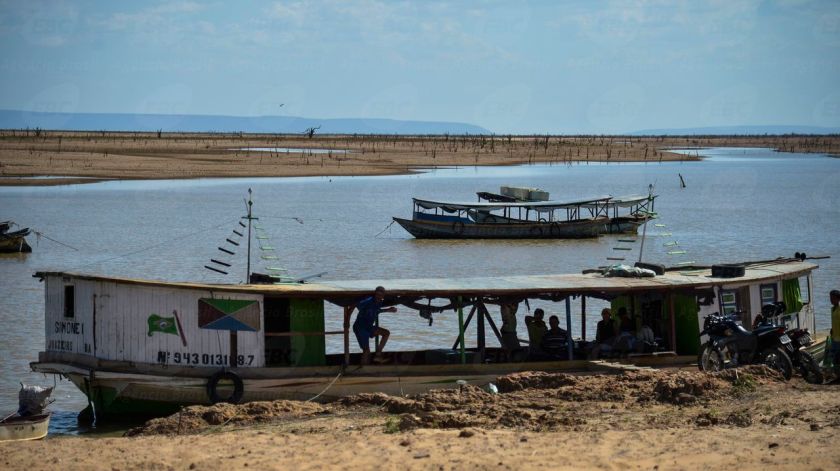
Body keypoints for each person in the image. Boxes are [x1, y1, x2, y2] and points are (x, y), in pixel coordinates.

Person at [353, 286, 397, 365]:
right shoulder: (369, 300)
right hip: (360, 327)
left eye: (381, 295)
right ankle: (363, 369)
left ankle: (378, 354)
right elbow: (357, 305)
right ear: (375, 294)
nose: (379, 297)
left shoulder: (380, 302)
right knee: (366, 351)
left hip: (369, 327)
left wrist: (388, 310)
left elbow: (377, 311)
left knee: (386, 333)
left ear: (383, 296)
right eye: (377, 295)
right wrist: (366, 310)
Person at [831, 290, 840, 367]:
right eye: (830, 298)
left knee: (838, 356)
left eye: (833, 298)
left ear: (838, 299)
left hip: (839, 337)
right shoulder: (832, 309)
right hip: (834, 336)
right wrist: (832, 329)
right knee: (834, 355)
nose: (831, 300)